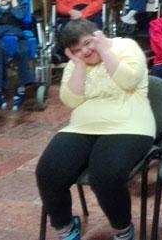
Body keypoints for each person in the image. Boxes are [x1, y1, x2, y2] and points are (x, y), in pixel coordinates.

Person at [35, 19, 155, 240]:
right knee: (48, 172)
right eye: (77, 50)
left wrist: (105, 51)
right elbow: (71, 100)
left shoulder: (126, 46)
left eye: (88, 43)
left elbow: (129, 81)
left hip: (129, 125)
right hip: (82, 126)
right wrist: (79, 65)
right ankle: (66, 228)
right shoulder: (76, 63)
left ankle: (123, 229)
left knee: (106, 176)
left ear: (98, 35)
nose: (85, 51)